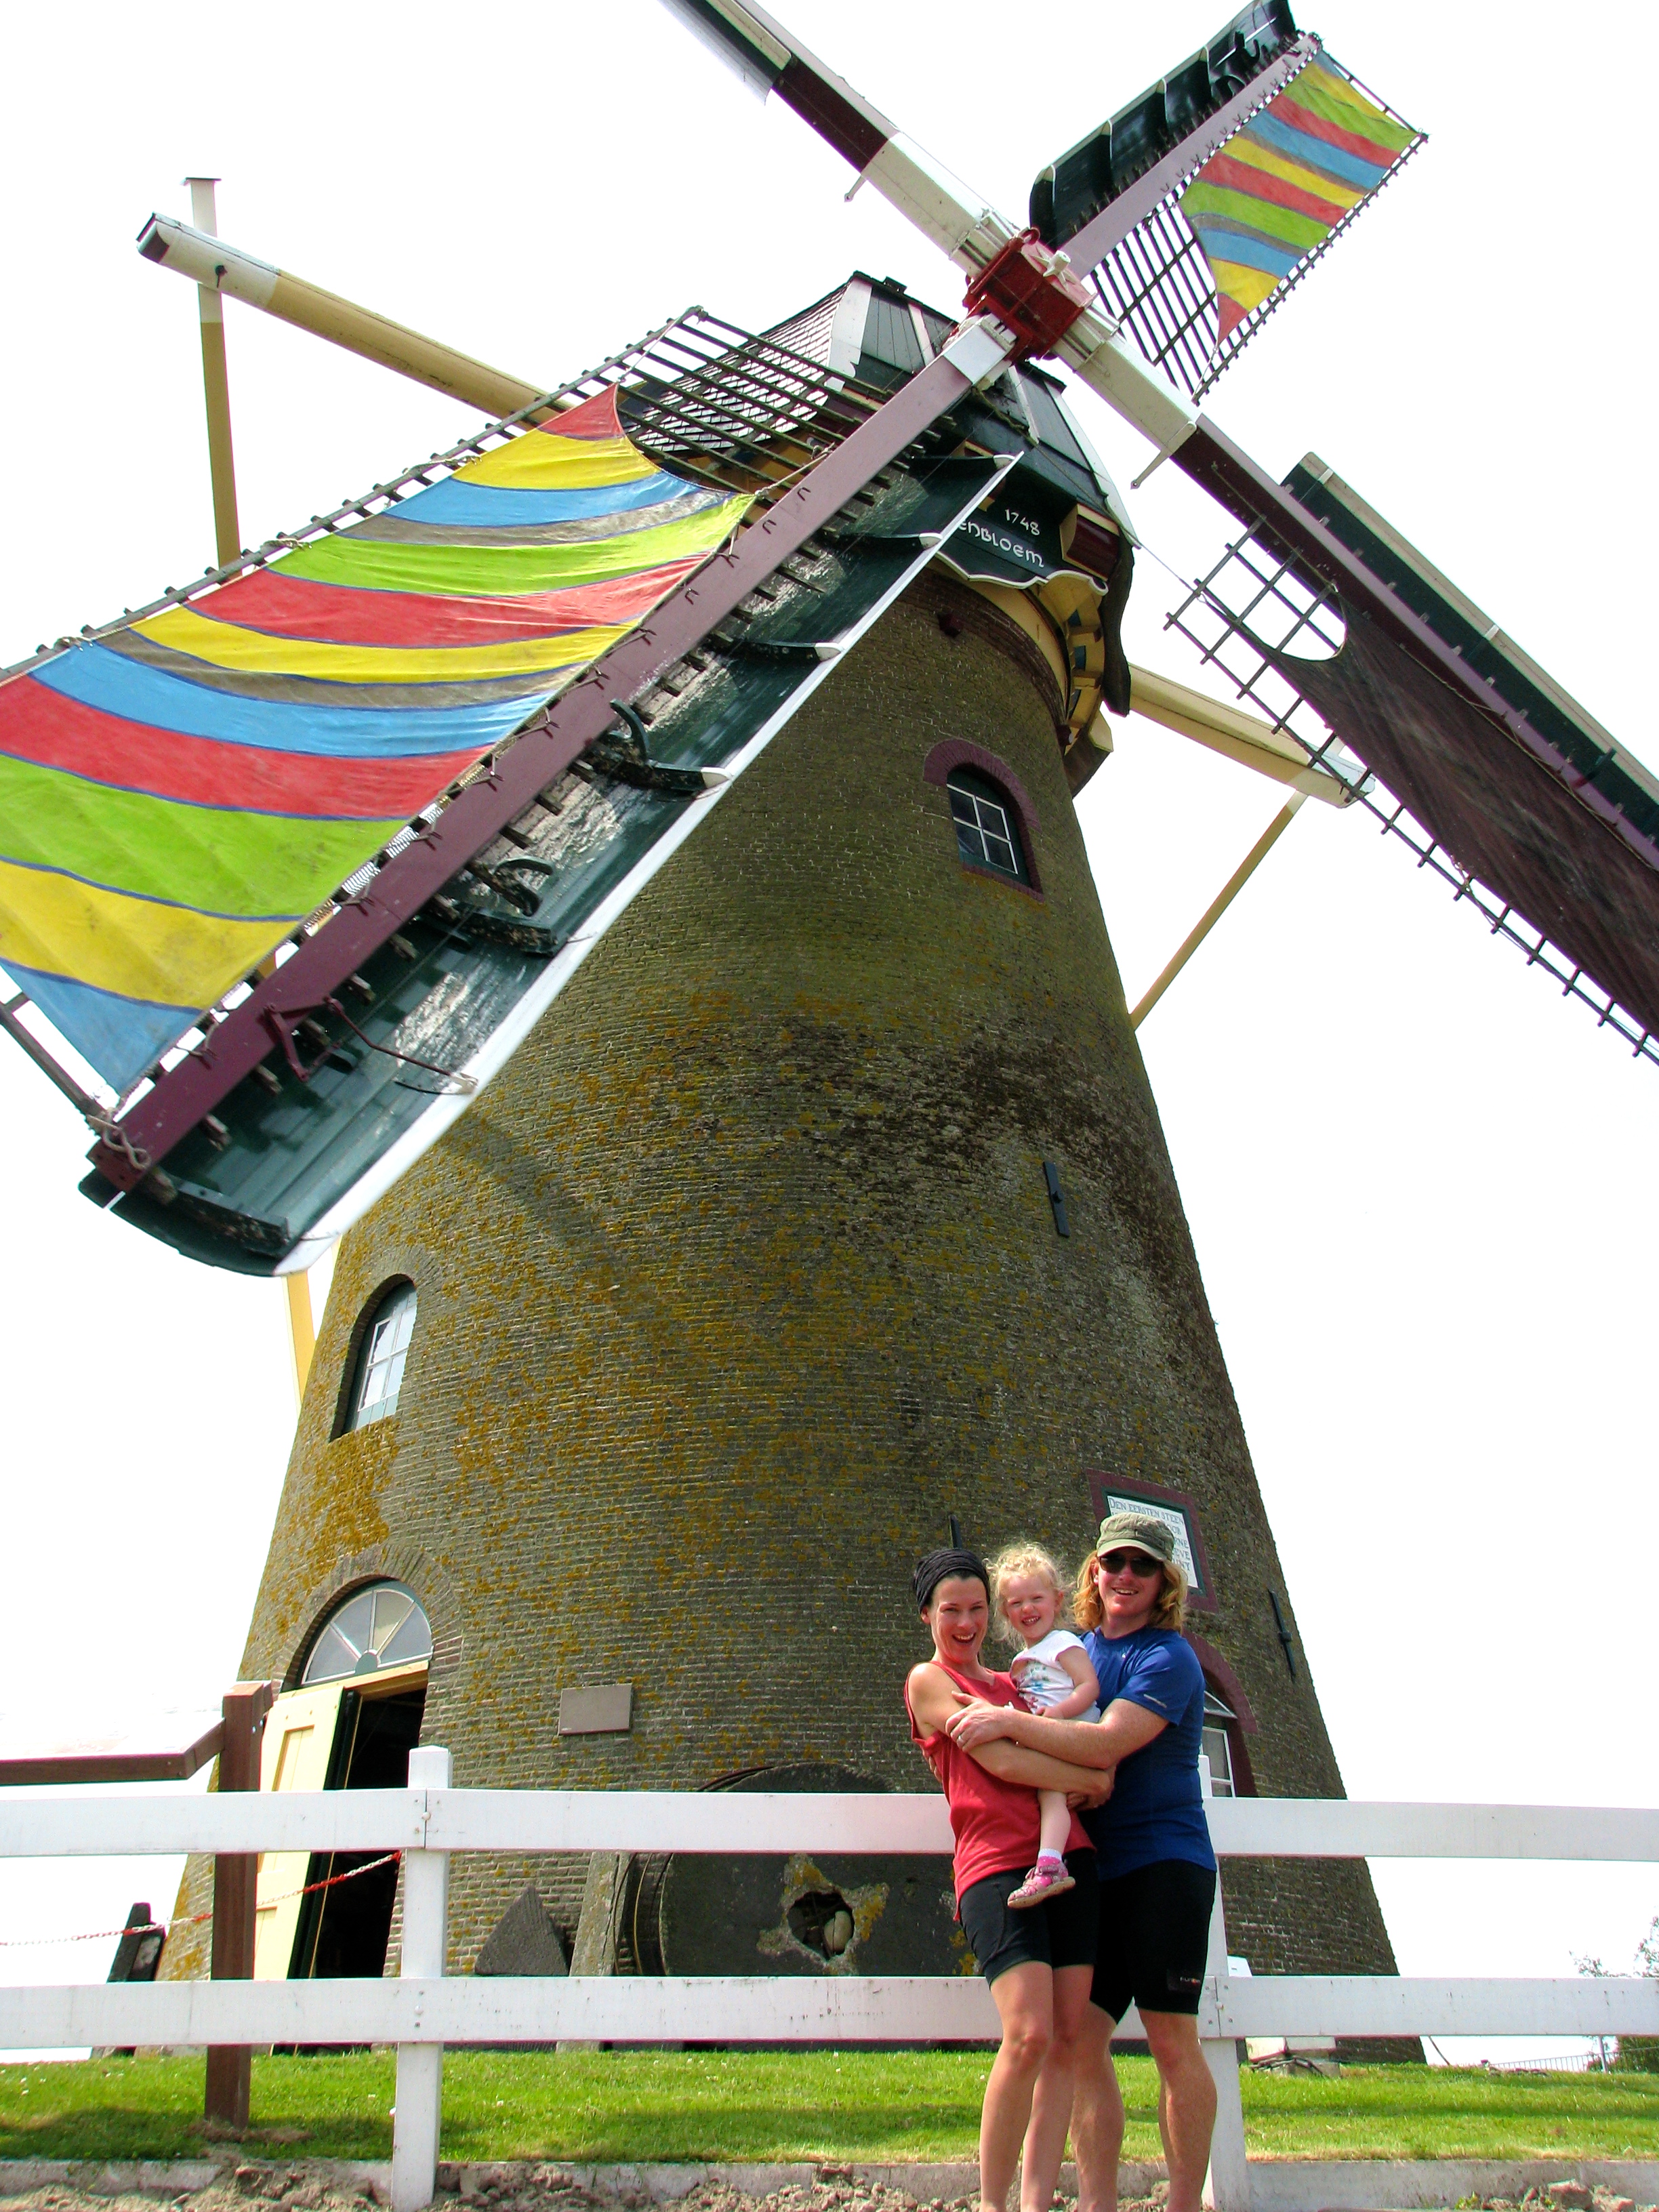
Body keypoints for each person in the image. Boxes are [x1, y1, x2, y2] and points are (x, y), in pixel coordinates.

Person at [943, 1513, 1218, 2212]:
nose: (1126, 1576)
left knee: (1171, 2039)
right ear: (1094, 1571)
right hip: (1096, 1866)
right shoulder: (1077, 1650)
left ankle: (1185, 2204)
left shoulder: (1169, 1658)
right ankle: (1099, 2204)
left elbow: (1105, 1745)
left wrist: (1007, 1722)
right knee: (1084, 2041)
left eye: (1143, 1566)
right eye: (1114, 1562)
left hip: (1161, 1863)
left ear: (1165, 1582)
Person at [904, 1547, 1107, 2212]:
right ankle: (995, 2204)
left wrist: (1081, 1769)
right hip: (995, 1864)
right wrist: (1090, 1779)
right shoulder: (928, 1681)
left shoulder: (1014, 1684)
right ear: (928, 1615)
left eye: (976, 1609)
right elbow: (1004, 1763)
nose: (965, 1623)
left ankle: (1036, 2204)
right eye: (950, 1610)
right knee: (1027, 2036)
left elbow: (1051, 1736)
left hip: (1068, 1858)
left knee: (1067, 2041)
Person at [988, 1542, 1101, 1908]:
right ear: (1005, 1611)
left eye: (1036, 1599)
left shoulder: (1063, 1642)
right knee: (1046, 1793)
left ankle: (1050, 1866)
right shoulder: (1023, 1659)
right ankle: (1048, 1861)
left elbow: (1089, 1686)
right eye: (1016, 1603)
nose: (1028, 1609)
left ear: (1057, 1600)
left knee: (1049, 1792)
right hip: (1050, 1736)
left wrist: (1061, 1714)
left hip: (1075, 1731)